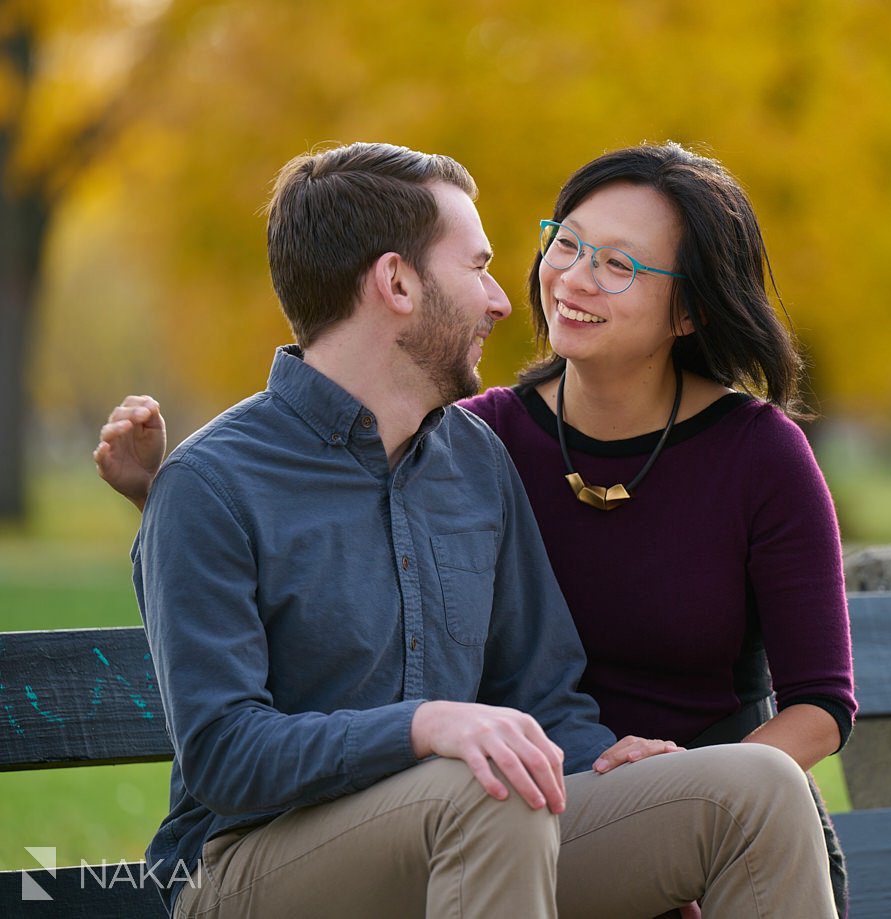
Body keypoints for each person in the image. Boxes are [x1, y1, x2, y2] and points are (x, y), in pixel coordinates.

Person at [99, 141, 837, 919]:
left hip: (471, 831)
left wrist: (618, 770)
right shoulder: (211, 481)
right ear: (398, 283)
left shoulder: (475, 459)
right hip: (252, 865)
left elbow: (544, 693)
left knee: (759, 790)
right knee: (484, 789)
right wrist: (425, 727)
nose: (503, 299)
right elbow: (224, 755)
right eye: (477, 266)